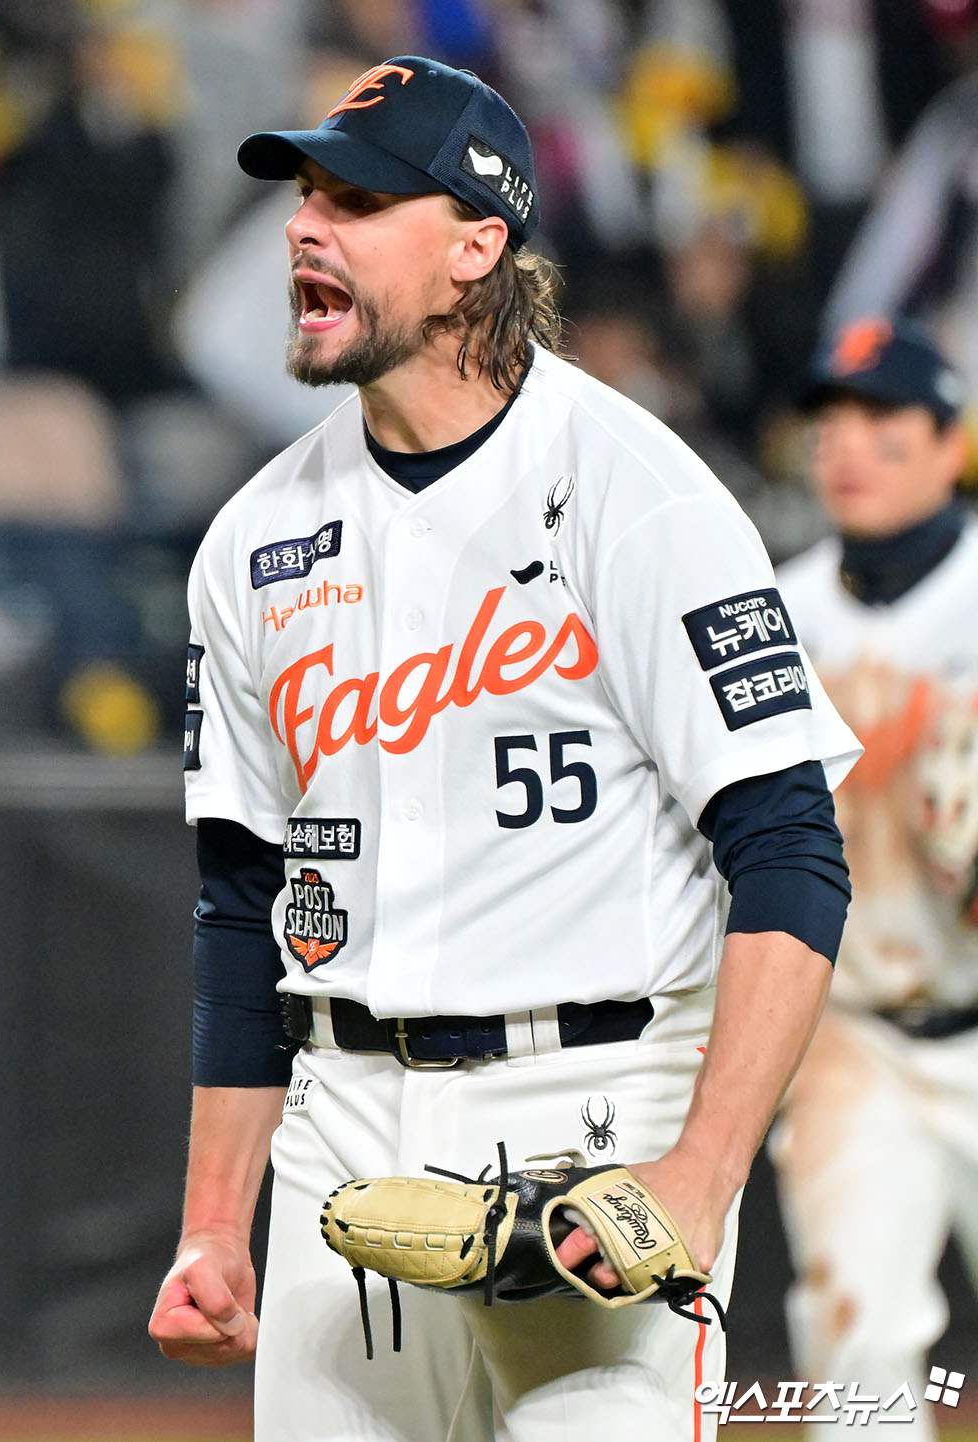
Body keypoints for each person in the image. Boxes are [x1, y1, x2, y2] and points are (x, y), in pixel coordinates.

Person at [148, 55, 860, 1440]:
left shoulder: (639, 492)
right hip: (340, 1127)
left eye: (355, 198)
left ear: (479, 244)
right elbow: (243, 901)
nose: (305, 226)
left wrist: (703, 1175)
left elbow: (787, 848)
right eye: (306, 193)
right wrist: (214, 1224)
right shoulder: (252, 541)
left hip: (592, 1117)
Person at [770, 316, 978, 1437]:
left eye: (884, 417)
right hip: (854, 1038)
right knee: (857, 1369)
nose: (848, 443)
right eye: (830, 419)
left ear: (952, 443)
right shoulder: (775, 613)